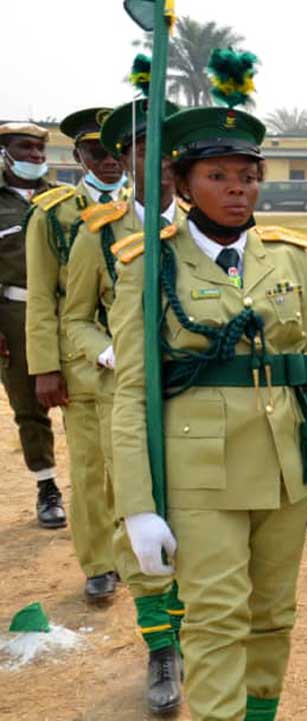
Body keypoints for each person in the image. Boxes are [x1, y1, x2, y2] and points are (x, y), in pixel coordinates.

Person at [112, 52, 307, 721]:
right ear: (183, 183)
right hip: (200, 475)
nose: (238, 189)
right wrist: (137, 505)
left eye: (248, 176)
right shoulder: (149, 263)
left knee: (273, 616)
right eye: (218, 176)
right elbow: (132, 391)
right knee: (216, 619)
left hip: (285, 468)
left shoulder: (287, 257)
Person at [62, 85, 185, 714]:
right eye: (141, 148)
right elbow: (74, 318)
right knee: (136, 515)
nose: (156, 158)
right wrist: (106, 349)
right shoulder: (101, 231)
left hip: (197, 402)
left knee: (196, 516)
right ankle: (161, 646)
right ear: (126, 160)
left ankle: (193, 628)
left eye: (166, 149)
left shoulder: (206, 226)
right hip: (127, 398)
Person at [25, 107, 126, 600]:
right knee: (90, 471)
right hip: (81, 366)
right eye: (95, 151)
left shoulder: (147, 205)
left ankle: (135, 555)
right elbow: (42, 294)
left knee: (138, 467)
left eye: (115, 151)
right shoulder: (54, 213)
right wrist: (45, 367)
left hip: (137, 361)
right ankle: (100, 562)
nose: (108, 161)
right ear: (79, 156)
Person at [0, 122, 64, 530]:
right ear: (4, 154)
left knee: (86, 399)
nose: (35, 157)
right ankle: (47, 486)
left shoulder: (61, 199)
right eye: (25, 149)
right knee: (29, 406)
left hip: (66, 312)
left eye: (40, 150)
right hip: (15, 313)